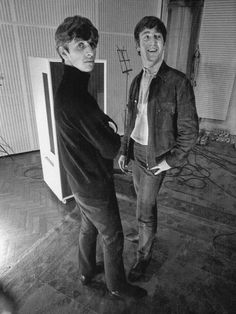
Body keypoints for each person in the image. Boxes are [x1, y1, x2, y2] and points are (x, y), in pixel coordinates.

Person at [54, 15, 147, 299]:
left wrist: (103, 129)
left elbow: (90, 136)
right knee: (113, 235)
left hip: (79, 180)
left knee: (88, 225)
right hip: (93, 182)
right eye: (80, 45)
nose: (90, 51)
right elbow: (109, 148)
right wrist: (119, 136)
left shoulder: (68, 89)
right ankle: (117, 285)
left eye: (92, 44)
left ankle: (86, 270)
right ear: (64, 52)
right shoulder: (77, 97)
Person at [118, 16, 199, 282]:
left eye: (157, 37)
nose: (152, 42)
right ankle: (145, 233)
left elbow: (190, 132)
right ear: (138, 46)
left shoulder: (178, 82)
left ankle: (144, 256)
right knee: (143, 202)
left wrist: (171, 161)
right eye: (146, 37)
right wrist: (123, 150)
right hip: (136, 153)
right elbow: (130, 120)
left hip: (155, 158)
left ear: (163, 44)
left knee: (144, 208)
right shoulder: (135, 80)